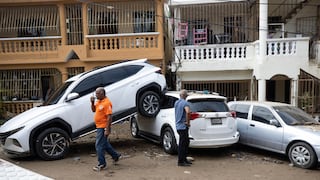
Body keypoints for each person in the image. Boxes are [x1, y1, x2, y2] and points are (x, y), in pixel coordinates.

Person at [90, 87, 121, 171]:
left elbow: (109, 117)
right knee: (105, 144)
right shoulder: (98, 101)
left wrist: (107, 129)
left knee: (99, 145)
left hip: (103, 127)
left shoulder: (107, 103)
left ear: (102, 93)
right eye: (95, 93)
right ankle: (115, 156)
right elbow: (93, 110)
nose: (96, 95)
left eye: (97, 93)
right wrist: (92, 102)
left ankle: (102, 164)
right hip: (99, 126)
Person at [174, 89, 192, 166]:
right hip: (183, 126)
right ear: (186, 96)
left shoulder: (176, 103)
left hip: (178, 126)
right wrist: (188, 122)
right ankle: (181, 161)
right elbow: (188, 112)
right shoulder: (185, 103)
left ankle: (184, 159)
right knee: (183, 144)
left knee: (184, 143)